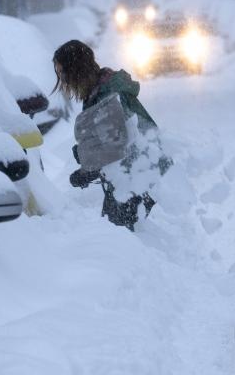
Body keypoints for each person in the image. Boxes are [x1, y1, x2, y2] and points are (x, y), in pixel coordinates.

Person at [53, 40, 166, 231]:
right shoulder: (101, 90)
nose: (62, 80)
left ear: (76, 71)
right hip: (138, 175)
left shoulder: (107, 97)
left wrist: (85, 172)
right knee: (119, 238)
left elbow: (118, 149)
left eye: (62, 73)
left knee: (120, 240)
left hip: (136, 178)